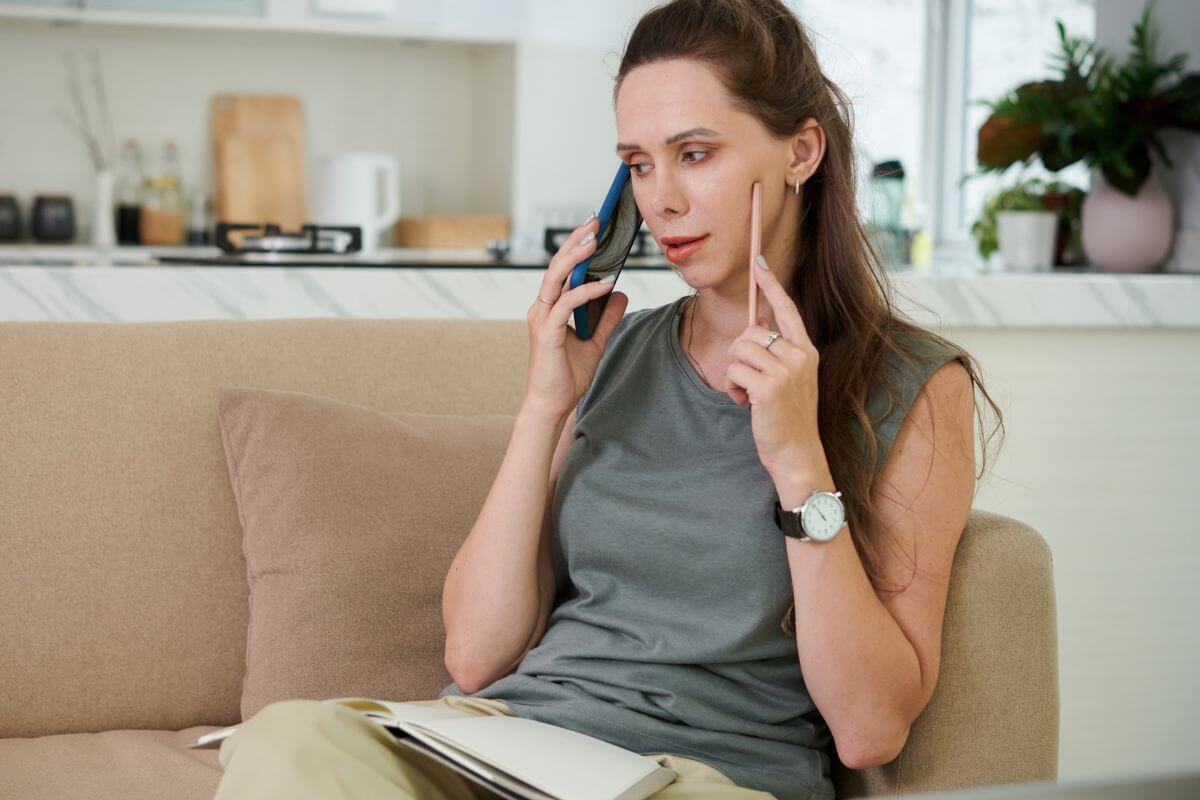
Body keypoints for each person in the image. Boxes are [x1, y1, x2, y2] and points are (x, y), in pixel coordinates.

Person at [211, 1, 1002, 799]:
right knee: (290, 737)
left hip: (697, 777)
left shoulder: (913, 383)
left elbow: (870, 730)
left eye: (695, 154)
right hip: (515, 746)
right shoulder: (619, 352)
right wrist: (544, 406)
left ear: (800, 152)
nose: (662, 201)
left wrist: (799, 465)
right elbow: (475, 657)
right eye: (640, 165)